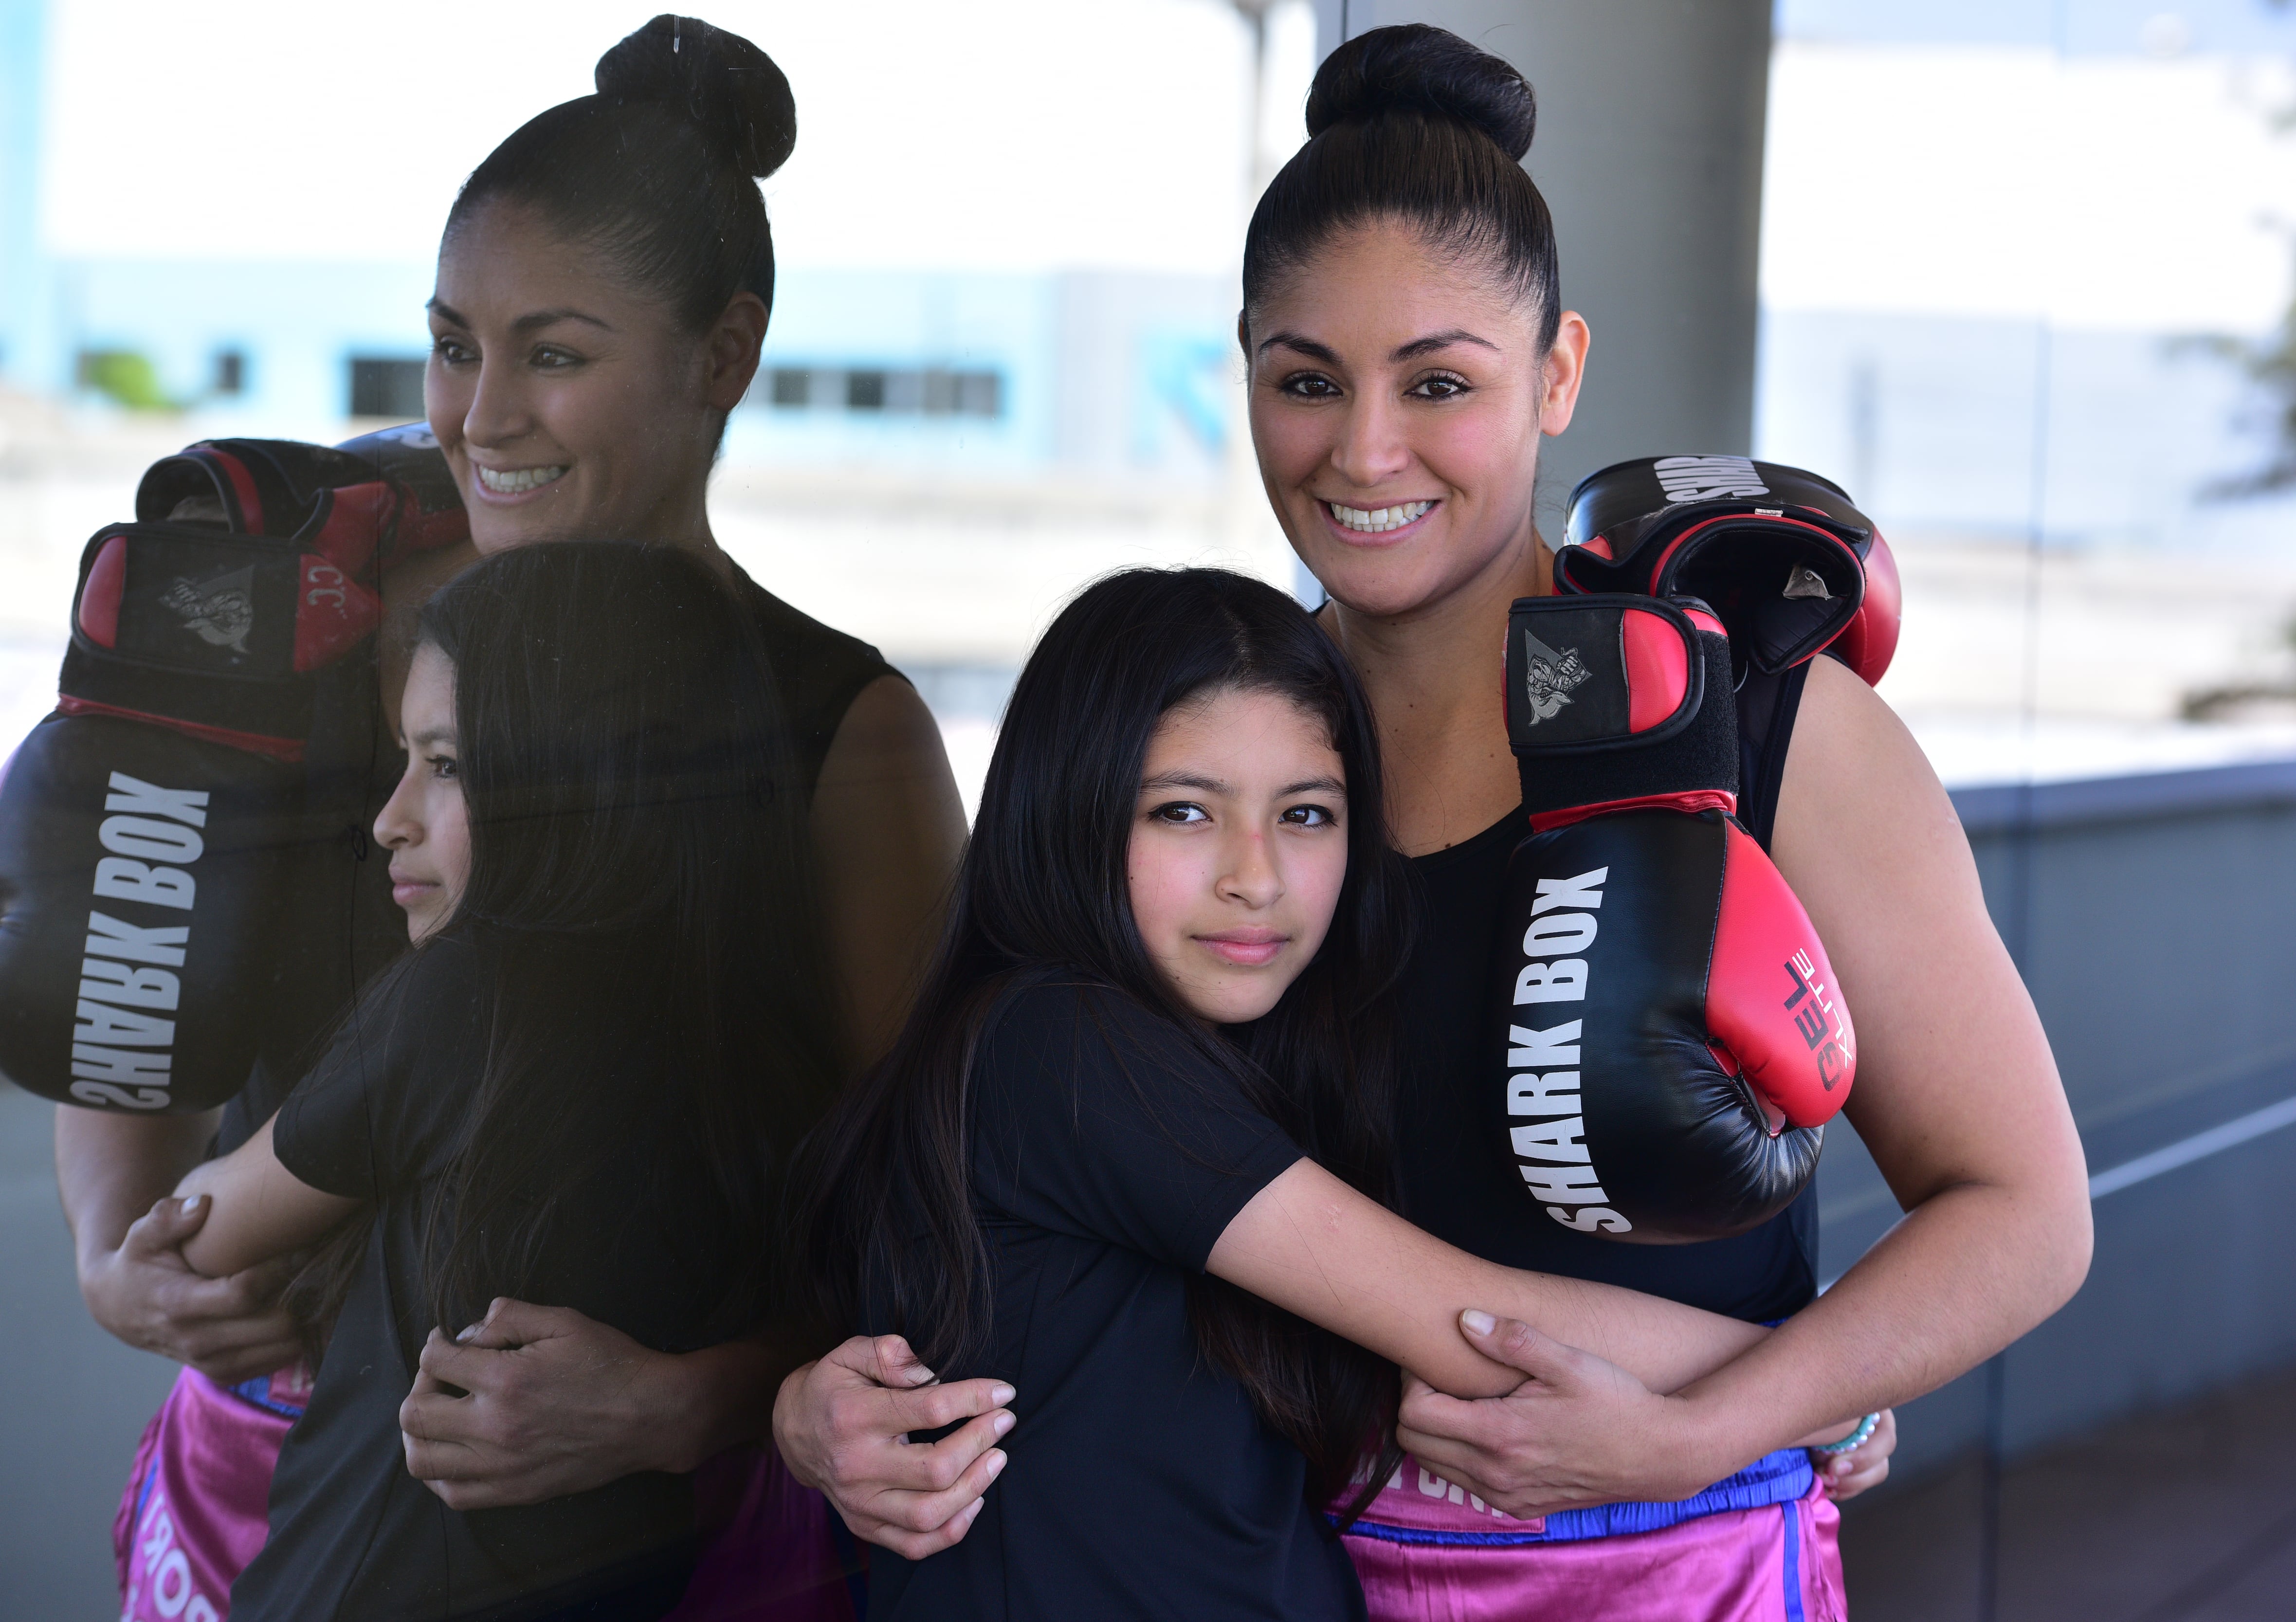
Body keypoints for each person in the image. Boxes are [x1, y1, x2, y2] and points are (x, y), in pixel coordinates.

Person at [781, 23, 2091, 1619]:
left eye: (1442, 382)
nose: (1366, 451)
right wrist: (820, 1405)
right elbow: (1034, 1153)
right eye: (1307, 381)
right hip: (1283, 1561)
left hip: (1672, 1569)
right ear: (1246, 369)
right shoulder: (1236, 748)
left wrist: (1731, 1419)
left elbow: (2024, 1216)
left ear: (1557, 375)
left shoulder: (1768, 728)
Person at [73, 17, 976, 1620]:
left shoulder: (844, 730)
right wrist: (111, 1246)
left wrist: (690, 1398)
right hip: (265, 1496)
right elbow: (126, 940)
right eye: (451, 344)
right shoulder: (319, 634)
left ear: (722, 354)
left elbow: (925, 1217)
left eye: (554, 354)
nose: (480, 415)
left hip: (665, 1532)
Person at [792, 567, 1879, 1621]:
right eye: (1181, 811)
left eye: (1306, 814)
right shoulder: (1061, 1047)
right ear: (1067, 810)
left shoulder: (1231, 1057)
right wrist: (1805, 1390)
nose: (1254, 875)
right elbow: (1478, 1326)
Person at [171, 542, 841, 1620]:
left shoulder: (477, 993)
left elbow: (195, 1232)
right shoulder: (765, 1029)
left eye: (445, 765)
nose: (391, 816)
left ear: (576, 779)